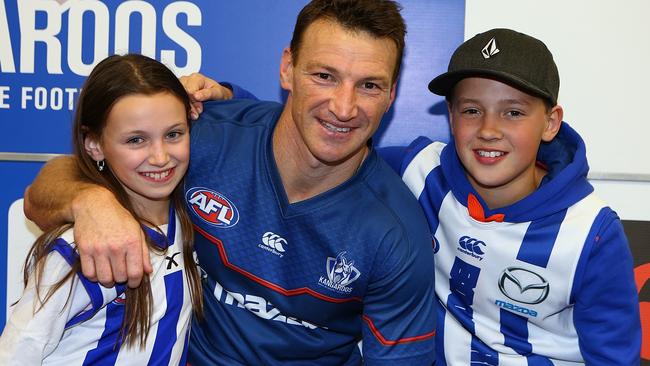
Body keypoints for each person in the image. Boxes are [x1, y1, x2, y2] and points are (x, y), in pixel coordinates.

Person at [23, 1, 437, 365]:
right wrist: (91, 201)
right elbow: (46, 188)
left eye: (369, 85)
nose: (344, 107)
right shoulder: (204, 137)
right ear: (287, 68)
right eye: (324, 76)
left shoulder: (395, 233)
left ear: (391, 94)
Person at [380, 28, 641, 364]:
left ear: (550, 123)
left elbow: (613, 357)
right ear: (451, 116)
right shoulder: (419, 170)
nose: (488, 130)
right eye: (471, 110)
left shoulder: (590, 232)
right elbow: (326, 156)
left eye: (513, 112)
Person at [0, 54, 203, 364]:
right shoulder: (83, 246)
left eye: (173, 134)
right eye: (136, 140)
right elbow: (17, 353)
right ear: (94, 144)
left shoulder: (193, 219)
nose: (161, 157)